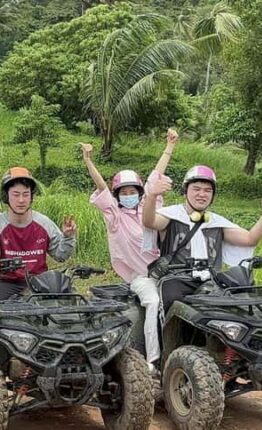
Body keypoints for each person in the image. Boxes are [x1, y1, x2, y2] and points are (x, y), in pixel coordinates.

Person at [81, 128, 178, 372]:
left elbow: (157, 175)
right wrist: (88, 161)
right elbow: (101, 185)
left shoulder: (147, 208)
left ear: (139, 193)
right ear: (117, 196)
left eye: (132, 191)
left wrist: (170, 145)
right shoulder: (114, 217)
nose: (128, 196)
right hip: (141, 277)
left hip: (166, 271)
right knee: (153, 302)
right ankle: (152, 361)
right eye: (123, 193)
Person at [143, 165, 262, 313]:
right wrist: (152, 195)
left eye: (207, 190)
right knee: (172, 308)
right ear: (186, 191)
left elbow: (250, 239)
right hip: (176, 280)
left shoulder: (217, 223)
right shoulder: (171, 216)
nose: (202, 194)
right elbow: (149, 221)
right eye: (196, 189)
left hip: (211, 281)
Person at [0, 167, 77, 303]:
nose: (21, 200)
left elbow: (61, 255)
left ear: (32, 196)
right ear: (6, 196)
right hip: (8, 283)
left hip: (40, 283)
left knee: (69, 305)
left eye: (26, 194)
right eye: (15, 194)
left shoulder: (44, 223)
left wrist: (68, 237)